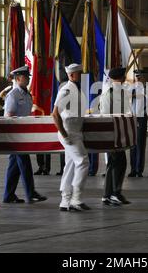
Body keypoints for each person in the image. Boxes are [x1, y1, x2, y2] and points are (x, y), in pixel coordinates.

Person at [3, 66, 47, 204]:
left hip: (23, 135)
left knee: (14, 166)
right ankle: (30, 193)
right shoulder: (13, 95)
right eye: (25, 77)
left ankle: (8, 195)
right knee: (25, 163)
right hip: (16, 136)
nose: (28, 79)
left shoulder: (27, 94)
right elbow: (9, 115)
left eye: (28, 76)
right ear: (17, 79)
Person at [52, 63, 91, 212]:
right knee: (83, 161)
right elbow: (55, 114)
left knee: (70, 165)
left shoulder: (77, 90)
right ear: (72, 75)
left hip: (75, 132)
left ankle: (65, 200)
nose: (82, 75)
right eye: (79, 73)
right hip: (69, 133)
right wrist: (64, 134)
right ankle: (76, 199)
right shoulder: (66, 90)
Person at [100, 67, 132, 206]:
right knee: (118, 162)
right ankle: (115, 193)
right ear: (117, 78)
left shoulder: (120, 92)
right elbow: (107, 116)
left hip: (119, 132)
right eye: (122, 76)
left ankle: (108, 194)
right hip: (112, 133)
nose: (124, 78)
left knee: (115, 163)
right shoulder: (110, 93)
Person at [129, 69, 148, 177]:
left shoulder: (147, 89)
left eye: (140, 77)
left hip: (141, 117)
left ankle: (139, 169)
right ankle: (133, 169)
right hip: (132, 117)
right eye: (137, 77)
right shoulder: (131, 88)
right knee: (132, 145)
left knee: (140, 144)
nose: (138, 78)